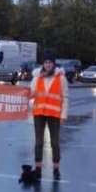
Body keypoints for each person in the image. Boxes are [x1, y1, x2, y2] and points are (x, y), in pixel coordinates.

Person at [29, 51, 69, 180]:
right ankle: (38, 168)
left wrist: (63, 115)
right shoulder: (37, 77)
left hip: (54, 114)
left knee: (55, 142)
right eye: (45, 62)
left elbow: (65, 97)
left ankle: (56, 168)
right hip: (39, 113)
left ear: (54, 64)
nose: (48, 65)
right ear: (43, 64)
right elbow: (31, 94)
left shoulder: (61, 78)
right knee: (39, 142)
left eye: (50, 62)